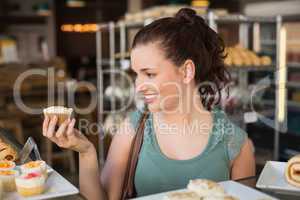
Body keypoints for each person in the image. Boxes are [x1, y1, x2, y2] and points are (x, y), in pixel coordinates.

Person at [42, 8, 255, 200]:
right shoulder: (133, 129)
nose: (138, 86)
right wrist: (86, 152)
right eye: (137, 74)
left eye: (150, 74)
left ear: (187, 71)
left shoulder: (235, 144)